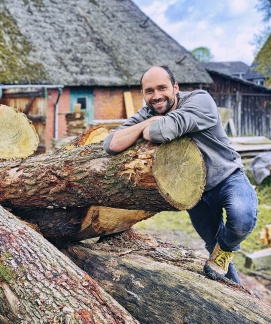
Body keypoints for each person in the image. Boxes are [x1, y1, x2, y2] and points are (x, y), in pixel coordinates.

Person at [103, 66, 258, 284]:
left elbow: (160, 132)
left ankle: (226, 249)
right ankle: (236, 294)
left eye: (162, 88)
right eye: (149, 91)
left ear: (175, 87)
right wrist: (148, 122)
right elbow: (111, 144)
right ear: (143, 94)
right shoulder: (149, 113)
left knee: (242, 218)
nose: (156, 96)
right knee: (214, 251)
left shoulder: (200, 101)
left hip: (227, 176)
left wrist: (146, 128)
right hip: (194, 191)